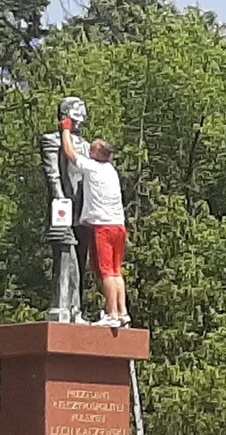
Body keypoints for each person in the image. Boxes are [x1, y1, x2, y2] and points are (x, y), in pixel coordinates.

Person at [60, 119, 129, 328]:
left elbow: (70, 154)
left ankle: (112, 315)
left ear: (99, 154)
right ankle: (122, 311)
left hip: (103, 227)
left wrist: (66, 129)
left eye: (92, 148)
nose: (89, 150)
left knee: (106, 271)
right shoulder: (111, 171)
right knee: (117, 271)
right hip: (119, 226)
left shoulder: (93, 167)